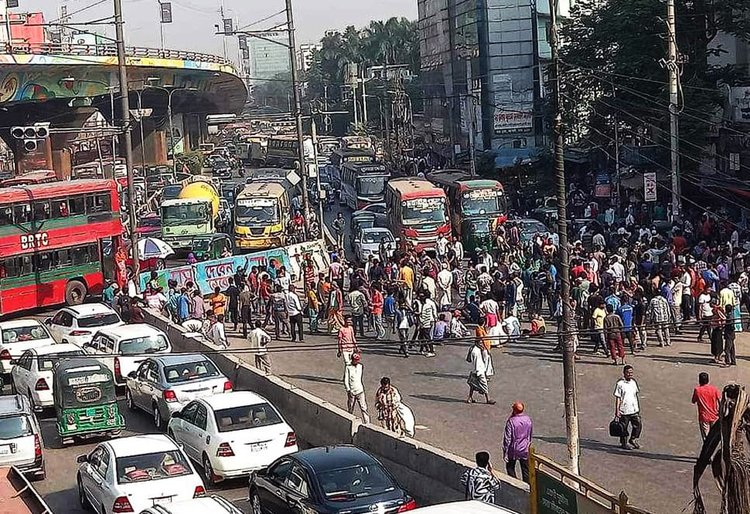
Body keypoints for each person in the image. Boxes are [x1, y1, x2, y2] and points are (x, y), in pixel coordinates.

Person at [503, 402, 533, 483]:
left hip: (514, 449)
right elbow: (530, 435)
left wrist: (505, 452)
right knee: (526, 470)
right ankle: (527, 486)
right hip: (525, 448)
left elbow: (507, 439)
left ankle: (515, 483)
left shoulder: (511, 421)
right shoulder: (528, 419)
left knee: (510, 468)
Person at [613, 365, 642, 450]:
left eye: (631, 373)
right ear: (624, 373)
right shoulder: (620, 384)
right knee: (623, 428)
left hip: (634, 409)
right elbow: (618, 397)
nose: (630, 374)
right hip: (624, 410)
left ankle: (633, 439)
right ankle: (624, 443)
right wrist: (617, 410)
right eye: (628, 372)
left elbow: (635, 395)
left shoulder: (633, 382)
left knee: (638, 424)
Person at [691, 372, 721, 440]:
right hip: (714, 415)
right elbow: (720, 401)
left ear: (699, 380)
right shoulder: (714, 389)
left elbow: (693, 401)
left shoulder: (697, 390)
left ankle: (706, 450)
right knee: (714, 437)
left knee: (706, 438)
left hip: (704, 416)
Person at [466, 337, 496, 405]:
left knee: (472, 385)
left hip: (474, 370)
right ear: (477, 343)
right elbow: (477, 362)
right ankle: (488, 399)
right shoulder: (476, 352)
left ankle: (470, 398)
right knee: (484, 385)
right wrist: (479, 372)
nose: (482, 344)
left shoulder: (474, 349)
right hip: (479, 371)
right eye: (480, 343)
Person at [344, 353, 370, 424]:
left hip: (360, 391)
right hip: (352, 392)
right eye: (355, 360)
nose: (357, 362)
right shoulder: (348, 367)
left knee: (364, 408)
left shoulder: (360, 366)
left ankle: (367, 423)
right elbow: (346, 380)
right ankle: (349, 422)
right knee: (350, 408)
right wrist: (348, 390)